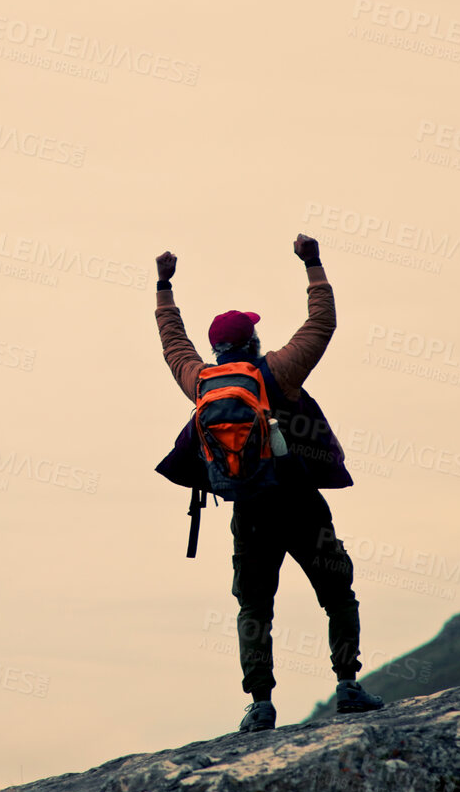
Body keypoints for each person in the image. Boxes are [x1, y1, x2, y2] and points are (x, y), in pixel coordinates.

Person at [153, 234, 385, 733]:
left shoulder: (198, 382)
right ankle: (348, 685)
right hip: (301, 505)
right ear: (253, 343)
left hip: (249, 512)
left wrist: (164, 286)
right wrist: (313, 264)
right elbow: (323, 322)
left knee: (255, 607)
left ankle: (260, 704)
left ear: (216, 350)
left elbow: (173, 342)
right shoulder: (280, 370)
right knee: (338, 592)